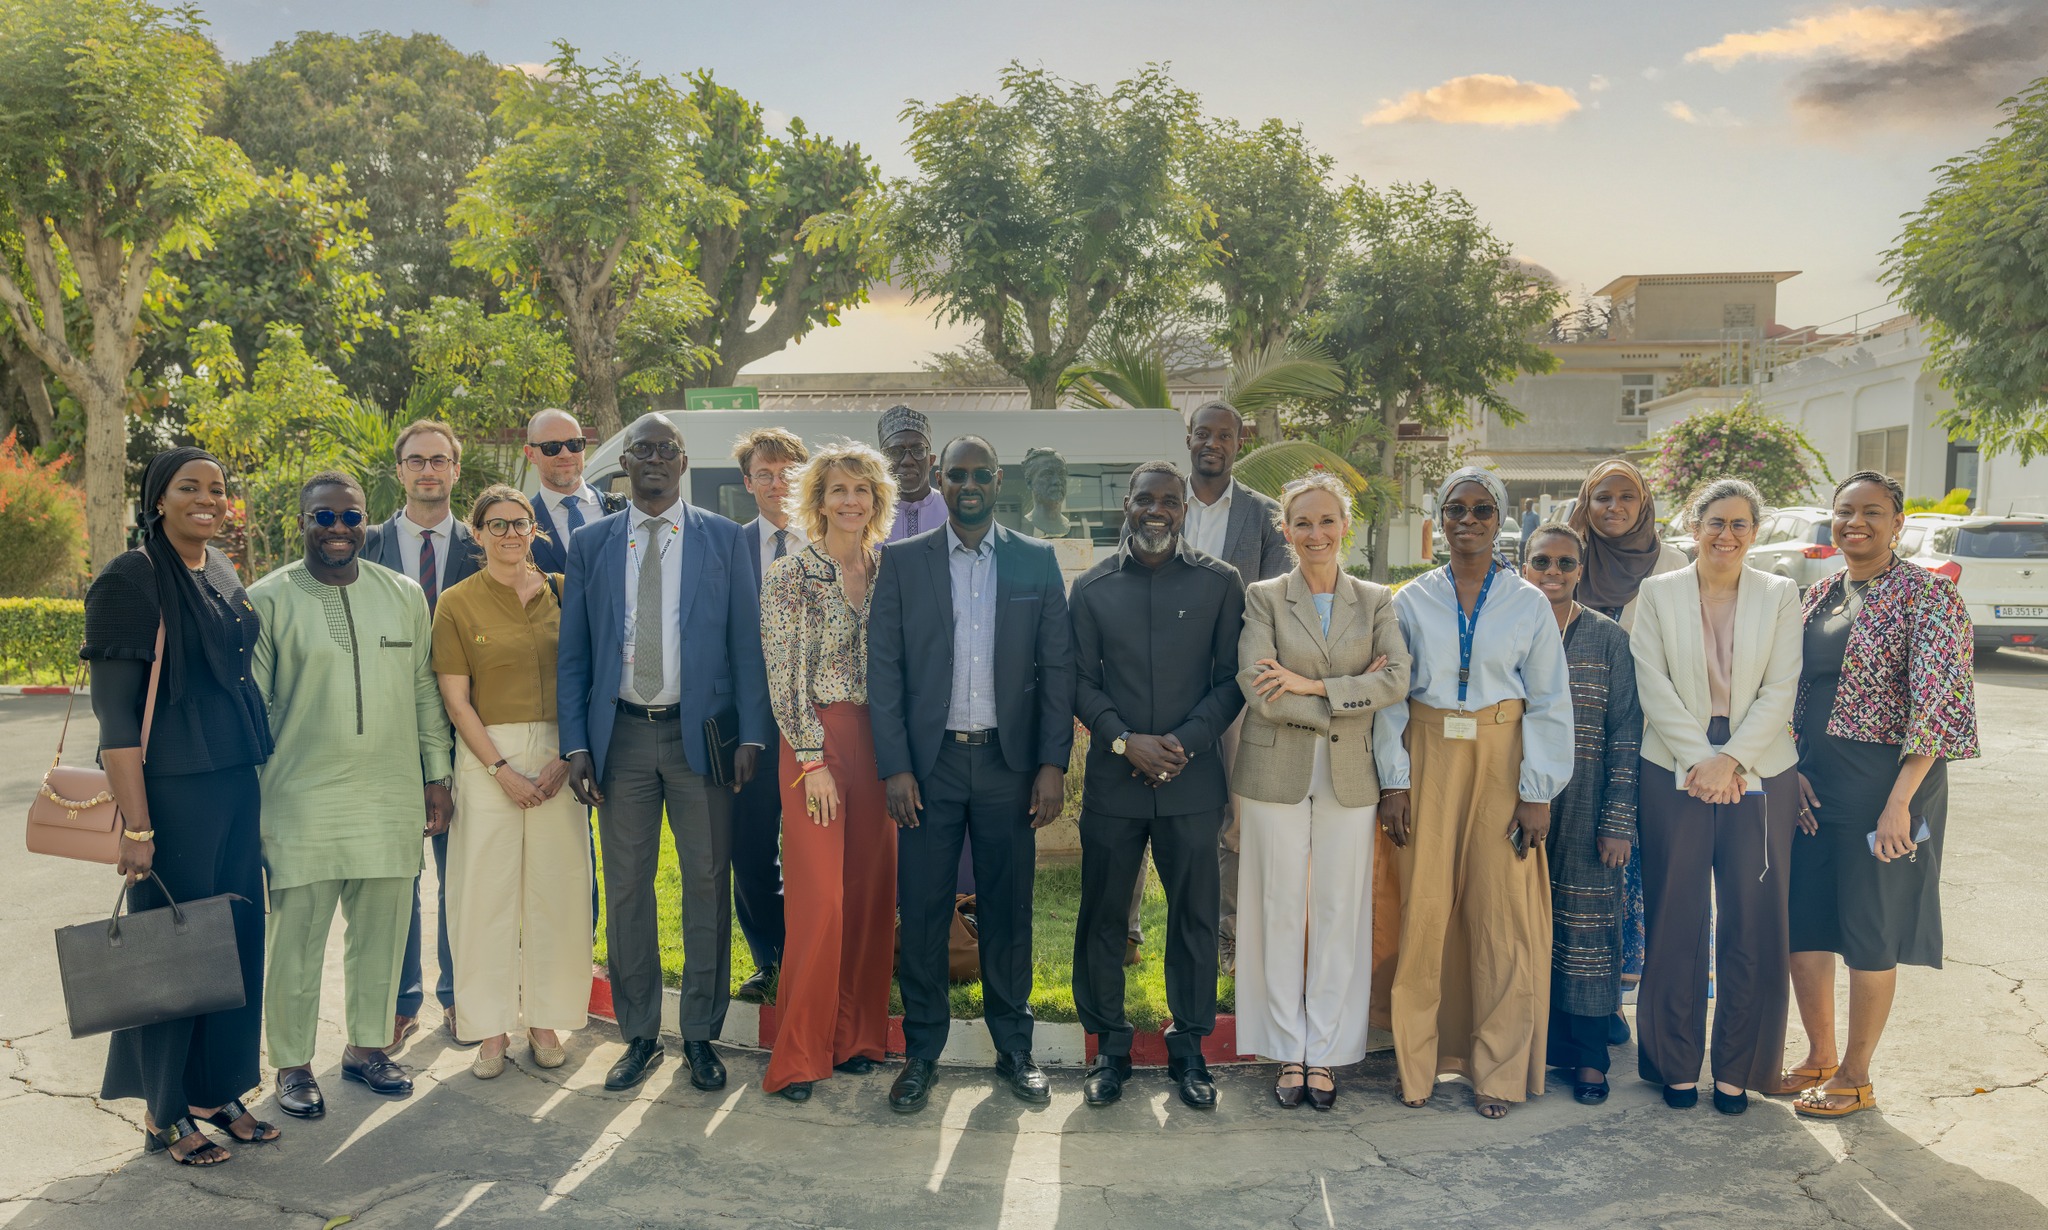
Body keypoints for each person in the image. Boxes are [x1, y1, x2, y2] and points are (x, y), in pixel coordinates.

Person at [558, 415, 773, 1093]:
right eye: (640, 451)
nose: (653, 460)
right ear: (624, 463)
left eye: (665, 451)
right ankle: (641, 1033)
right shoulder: (591, 545)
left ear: (683, 463)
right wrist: (577, 744)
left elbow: (748, 644)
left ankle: (702, 1034)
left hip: (701, 739)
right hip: (620, 738)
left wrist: (752, 735)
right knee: (626, 889)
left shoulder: (724, 538)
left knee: (708, 883)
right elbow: (573, 657)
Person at [868, 436, 1076, 1113]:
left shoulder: (1034, 560)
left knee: (1009, 907)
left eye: (981, 473)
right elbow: (886, 672)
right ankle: (922, 1051)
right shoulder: (901, 563)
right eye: (956, 474)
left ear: (998, 480)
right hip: (928, 768)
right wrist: (895, 767)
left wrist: (1051, 763)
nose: (969, 484)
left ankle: (1014, 1047)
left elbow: (1057, 671)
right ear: (938, 479)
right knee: (924, 909)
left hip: (1007, 764)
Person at [83, 448, 275, 1165]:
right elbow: (117, 723)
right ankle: (164, 1111)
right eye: (188, 487)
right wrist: (136, 826)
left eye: (217, 489)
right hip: (172, 792)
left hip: (234, 780)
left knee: (235, 944)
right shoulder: (130, 579)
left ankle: (215, 1090)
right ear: (157, 498)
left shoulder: (220, 568)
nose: (206, 499)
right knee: (174, 952)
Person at [250, 472, 454, 1116]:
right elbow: (253, 711)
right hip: (300, 797)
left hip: (389, 795)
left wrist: (436, 774)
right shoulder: (268, 599)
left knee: (383, 930)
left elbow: (425, 691)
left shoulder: (402, 595)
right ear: (302, 522)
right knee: (296, 940)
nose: (338, 529)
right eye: (323, 517)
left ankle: (368, 1049)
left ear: (367, 521)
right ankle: (291, 1062)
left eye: (350, 517)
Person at [1372, 466, 1572, 1120]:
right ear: (1440, 518)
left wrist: (1537, 791)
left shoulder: (1527, 604)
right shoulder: (1409, 601)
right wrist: (1394, 781)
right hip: (1428, 754)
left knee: (1500, 915)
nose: (1469, 521)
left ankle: (1500, 1071)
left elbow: (1548, 700)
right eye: (1455, 509)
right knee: (1425, 909)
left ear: (1501, 520)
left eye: (1483, 510)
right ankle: (1418, 1064)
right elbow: (1392, 697)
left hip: (1502, 755)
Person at [1778, 471, 1979, 1119]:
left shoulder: (1928, 597)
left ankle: (1857, 1076)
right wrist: (1790, 766)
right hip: (1811, 782)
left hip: (1887, 789)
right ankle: (1819, 1057)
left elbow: (1942, 706)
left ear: (1898, 523)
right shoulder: (1819, 594)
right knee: (1803, 921)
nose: (1855, 523)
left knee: (1869, 927)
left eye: (1871, 512)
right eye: (1844, 512)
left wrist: (1902, 803)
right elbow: (1790, 690)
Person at [1070, 461, 1247, 1110]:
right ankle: (1109, 1050)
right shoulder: (1090, 590)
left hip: (1192, 784)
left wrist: (1186, 742)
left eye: (1169, 502)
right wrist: (1125, 740)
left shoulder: (1220, 585)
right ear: (1126, 504)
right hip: (1115, 785)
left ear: (1183, 511)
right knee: (1105, 921)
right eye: (1145, 499)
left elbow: (1231, 680)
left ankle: (1190, 1049)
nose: (1156, 511)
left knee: (1194, 919)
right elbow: (1080, 683)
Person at [1232, 472, 1409, 1111]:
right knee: (1277, 908)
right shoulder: (1264, 597)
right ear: (1285, 529)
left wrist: (1310, 689)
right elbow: (1258, 686)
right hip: (1272, 775)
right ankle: (1286, 1048)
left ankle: (1327, 1054)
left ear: (1346, 526)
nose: (1316, 534)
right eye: (1302, 522)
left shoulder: (1376, 599)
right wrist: (1348, 697)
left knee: (1339, 912)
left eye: (1327, 521)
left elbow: (1397, 679)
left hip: (1350, 777)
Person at [1630, 477, 1802, 1115]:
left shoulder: (1781, 595)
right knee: (1676, 919)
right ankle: (1675, 1065)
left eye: (1739, 524)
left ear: (1755, 533)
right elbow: (1652, 683)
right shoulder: (1657, 593)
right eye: (1715, 522)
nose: (1726, 535)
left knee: (1751, 921)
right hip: (1672, 761)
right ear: (1694, 526)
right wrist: (1702, 759)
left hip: (1759, 768)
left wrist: (1731, 759)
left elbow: (1781, 688)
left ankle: (1737, 1068)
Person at [432, 485, 591, 1079]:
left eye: (519, 523)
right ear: (477, 534)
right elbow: (456, 699)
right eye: (495, 525)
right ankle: (490, 1028)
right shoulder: (455, 602)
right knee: (484, 895)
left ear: (534, 530)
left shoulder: (563, 592)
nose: (508, 534)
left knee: (559, 890)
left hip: (558, 753)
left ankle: (546, 1020)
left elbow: (586, 677)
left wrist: (562, 760)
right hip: (486, 757)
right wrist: (501, 770)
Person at [758, 443, 900, 1102]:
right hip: (814, 743)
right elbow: (782, 677)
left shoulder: (886, 570)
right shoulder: (791, 574)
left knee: (870, 897)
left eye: (862, 491)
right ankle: (799, 1054)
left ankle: (857, 1037)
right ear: (817, 500)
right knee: (822, 902)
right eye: (838, 490)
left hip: (878, 746)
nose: (850, 501)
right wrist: (811, 758)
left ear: (876, 502)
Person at [1128, 400, 1290, 971]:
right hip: (1154, 679)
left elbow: (1276, 603)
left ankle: (1227, 934)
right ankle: (1127, 933)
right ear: (1189, 439)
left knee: (1234, 815)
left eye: (1224, 435)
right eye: (1203, 434)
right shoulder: (1160, 502)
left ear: (1239, 443)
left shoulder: (1265, 517)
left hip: (1231, 685)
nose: (1212, 444)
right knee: (1137, 797)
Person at [362, 418, 483, 1051]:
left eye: (440, 460)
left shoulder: (484, 542)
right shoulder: (366, 544)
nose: (428, 470)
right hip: (390, 733)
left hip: (472, 730)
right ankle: (400, 1000)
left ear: (456, 471)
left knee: (460, 871)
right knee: (397, 873)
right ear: (400, 470)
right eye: (416, 461)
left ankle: (462, 997)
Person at [1520, 523, 1642, 1104]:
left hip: (1590, 802)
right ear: (1523, 566)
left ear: (1580, 570)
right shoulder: (1509, 631)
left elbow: (1625, 734)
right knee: (1523, 928)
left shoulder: (1607, 638)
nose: (1552, 573)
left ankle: (1589, 1059)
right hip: (1516, 799)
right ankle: (1532, 1051)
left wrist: (1619, 819)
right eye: (1541, 561)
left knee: (1588, 929)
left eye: (1565, 563)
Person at [1566, 457, 1687, 1042]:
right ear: (1584, 506)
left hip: (1655, 745)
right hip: (1575, 746)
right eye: (1600, 498)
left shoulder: (1674, 567)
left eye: (1626, 498)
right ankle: (1583, 1002)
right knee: (1581, 870)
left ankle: (1627, 999)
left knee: (1637, 871)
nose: (1613, 508)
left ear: (1645, 505)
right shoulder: (1563, 560)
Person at [726, 427, 809, 1003]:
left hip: (820, 724)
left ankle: (817, 956)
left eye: (787, 473)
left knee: (817, 850)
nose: (777, 484)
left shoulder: (833, 542)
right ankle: (769, 959)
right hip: (748, 729)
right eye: (764, 473)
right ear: (747, 482)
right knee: (751, 848)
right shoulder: (727, 547)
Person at [526, 408, 626, 575]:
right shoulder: (522, 524)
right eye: (552, 447)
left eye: (574, 444)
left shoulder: (622, 511)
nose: (566, 454)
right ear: (530, 454)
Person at [880, 404, 946, 542]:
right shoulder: (868, 513)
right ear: (881, 462)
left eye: (918, 450)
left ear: (931, 460)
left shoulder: (952, 511)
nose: (908, 461)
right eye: (895, 452)